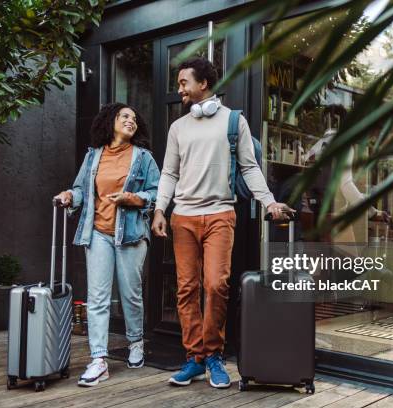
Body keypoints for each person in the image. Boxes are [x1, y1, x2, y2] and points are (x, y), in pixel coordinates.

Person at [151, 57, 294, 389]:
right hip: (183, 216)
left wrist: (268, 201)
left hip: (219, 214)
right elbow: (169, 173)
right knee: (186, 288)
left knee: (216, 285)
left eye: (184, 82)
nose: (179, 88)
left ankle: (214, 354)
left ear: (203, 84)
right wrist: (160, 210)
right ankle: (194, 358)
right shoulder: (178, 128)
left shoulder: (233, 121)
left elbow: (249, 167)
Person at [55, 103, 160, 387]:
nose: (131, 121)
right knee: (98, 298)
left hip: (130, 234)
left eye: (135, 119)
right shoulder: (93, 156)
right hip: (98, 233)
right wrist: (69, 195)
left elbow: (156, 191)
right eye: (124, 116)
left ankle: (135, 342)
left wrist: (134, 199)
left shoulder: (143, 158)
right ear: (109, 121)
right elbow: (80, 190)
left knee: (130, 294)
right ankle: (99, 359)